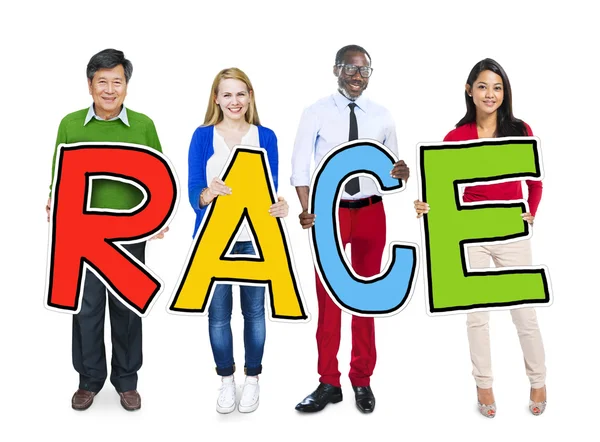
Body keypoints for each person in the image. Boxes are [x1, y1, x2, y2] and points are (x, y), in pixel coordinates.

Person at [414, 58, 547, 418]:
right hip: (470, 234)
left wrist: (530, 211)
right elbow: (442, 191)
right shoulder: (455, 137)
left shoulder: (519, 129)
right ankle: (484, 384)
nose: (491, 94)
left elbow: (533, 181)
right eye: (484, 86)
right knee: (477, 315)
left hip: (509, 231)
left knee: (524, 313)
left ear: (505, 93)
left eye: (498, 87)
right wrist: (428, 207)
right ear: (469, 89)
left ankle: (538, 379)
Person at [46, 48, 167, 411]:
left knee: (127, 309)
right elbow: (60, 171)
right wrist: (54, 201)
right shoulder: (70, 124)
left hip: (131, 234)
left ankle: (127, 381)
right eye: (102, 82)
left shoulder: (143, 125)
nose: (110, 89)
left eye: (117, 81)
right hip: (81, 234)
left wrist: (159, 217)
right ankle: (88, 380)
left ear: (127, 86)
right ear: (89, 85)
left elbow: (161, 174)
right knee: (86, 308)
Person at [291, 45, 410, 414]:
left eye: (364, 70)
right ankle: (328, 381)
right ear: (336, 70)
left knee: (366, 298)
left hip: (373, 213)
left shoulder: (383, 116)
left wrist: (403, 173)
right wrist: (307, 209)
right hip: (330, 213)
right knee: (329, 301)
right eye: (350, 69)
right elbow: (299, 167)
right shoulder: (316, 113)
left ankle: (362, 380)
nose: (357, 76)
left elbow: (393, 169)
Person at [187, 67, 288, 414]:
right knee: (218, 315)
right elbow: (192, 194)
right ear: (216, 98)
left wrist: (281, 205)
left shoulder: (266, 136)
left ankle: (253, 379)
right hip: (213, 239)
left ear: (250, 98)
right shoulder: (202, 137)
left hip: (253, 241)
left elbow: (271, 189)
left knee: (254, 313)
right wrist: (207, 194)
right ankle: (227, 380)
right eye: (227, 94)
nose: (234, 101)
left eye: (241, 94)